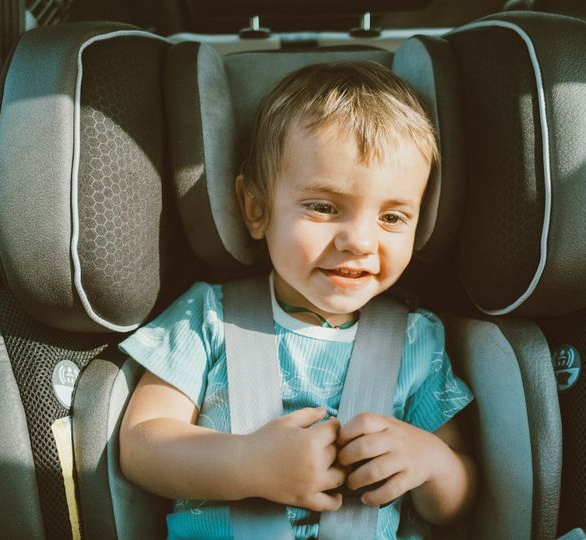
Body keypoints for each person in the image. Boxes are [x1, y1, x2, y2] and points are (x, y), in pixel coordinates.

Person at [119, 60, 477, 539]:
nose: (360, 241)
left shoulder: (416, 340)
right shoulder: (208, 316)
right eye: (324, 207)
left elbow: (455, 500)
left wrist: (429, 461)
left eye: (393, 217)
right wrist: (249, 464)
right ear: (257, 209)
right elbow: (142, 445)